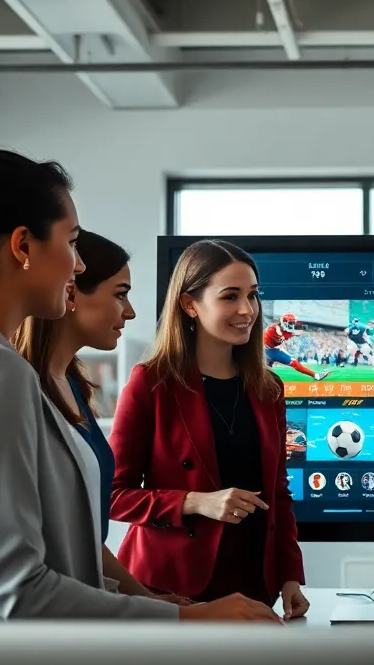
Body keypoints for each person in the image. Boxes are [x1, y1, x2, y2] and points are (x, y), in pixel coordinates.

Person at [0, 133, 275, 625]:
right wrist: (190, 620)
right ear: (23, 245)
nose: (81, 263)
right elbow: (20, 593)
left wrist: (144, 601)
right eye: (72, 243)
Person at [109, 239, 310, 619]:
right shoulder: (150, 383)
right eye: (230, 296)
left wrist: (290, 578)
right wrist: (197, 501)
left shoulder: (270, 388)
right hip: (170, 590)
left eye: (253, 295)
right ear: (189, 304)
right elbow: (113, 495)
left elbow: (278, 493)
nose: (247, 310)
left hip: (255, 587)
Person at [12, 230, 192, 607]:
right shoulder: (19, 391)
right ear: (73, 292)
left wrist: (155, 602)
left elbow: (89, 540)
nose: (130, 312)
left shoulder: (75, 386)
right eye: (120, 294)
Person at [263, 312, 329, 381]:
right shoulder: (274, 330)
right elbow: (278, 332)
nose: (292, 325)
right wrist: (294, 333)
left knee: (268, 374)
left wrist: (298, 332)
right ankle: (316, 375)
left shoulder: (284, 329)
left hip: (270, 351)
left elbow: (290, 332)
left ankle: (316, 375)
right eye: (291, 323)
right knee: (266, 374)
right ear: (284, 323)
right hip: (266, 351)